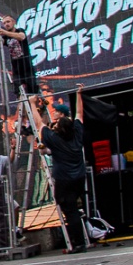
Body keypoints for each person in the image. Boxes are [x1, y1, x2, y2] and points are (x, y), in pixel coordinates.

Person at [39, 93, 91, 254]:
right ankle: (80, 238)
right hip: (78, 177)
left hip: (64, 179)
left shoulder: (56, 139)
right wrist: (79, 95)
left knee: (70, 211)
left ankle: (78, 243)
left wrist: (33, 106)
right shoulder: (76, 135)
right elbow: (80, 113)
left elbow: (39, 124)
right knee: (73, 208)